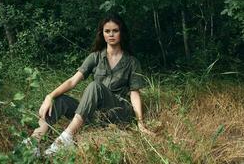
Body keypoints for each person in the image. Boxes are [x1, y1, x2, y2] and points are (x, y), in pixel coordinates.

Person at [29, 13, 155, 156]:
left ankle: (66, 139)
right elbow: (72, 81)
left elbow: (134, 92)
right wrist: (49, 96)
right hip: (95, 113)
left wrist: (140, 123)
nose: (111, 34)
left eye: (115, 30)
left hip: (118, 112)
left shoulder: (132, 62)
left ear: (122, 33)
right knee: (60, 100)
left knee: (95, 86)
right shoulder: (95, 57)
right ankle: (32, 144)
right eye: (107, 31)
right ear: (102, 34)